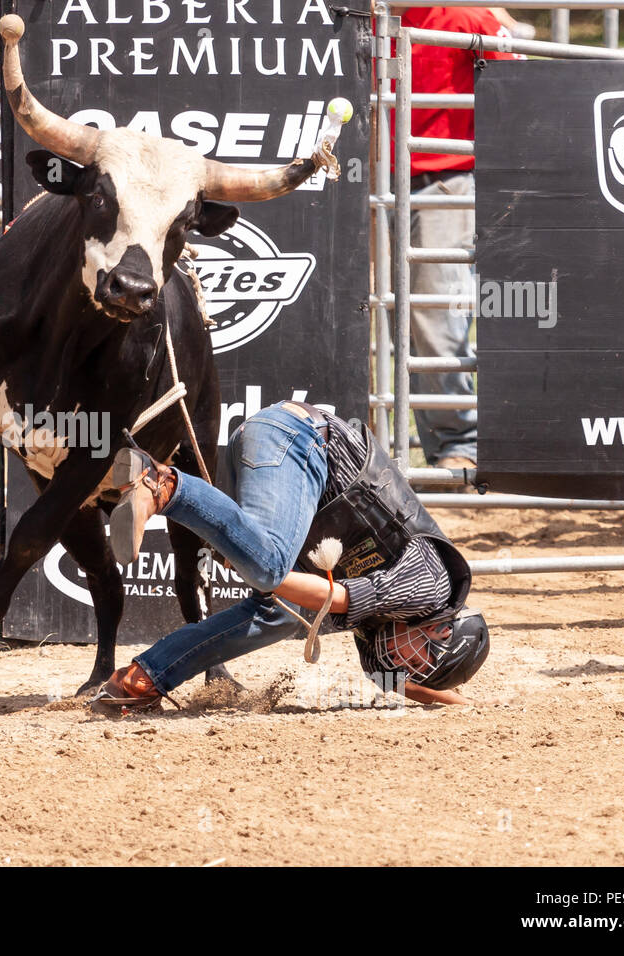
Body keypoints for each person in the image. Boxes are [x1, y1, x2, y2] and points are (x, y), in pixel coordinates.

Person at [90, 400, 489, 714]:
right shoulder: (433, 588)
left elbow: (400, 685)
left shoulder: (393, 642)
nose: (404, 668)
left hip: (284, 455)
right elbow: (334, 598)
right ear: (439, 630)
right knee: (270, 568)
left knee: (277, 614)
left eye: (414, 672)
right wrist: (257, 568)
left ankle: (140, 680)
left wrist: (467, 707)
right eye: (418, 662)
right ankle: (162, 484)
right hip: (296, 441)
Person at [399, 7, 522, 475]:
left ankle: (461, 445)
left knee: (433, 315)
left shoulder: (464, 17)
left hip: (446, 178)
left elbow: (516, 87)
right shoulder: (363, 19)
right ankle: (441, 449)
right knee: (395, 317)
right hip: (382, 178)